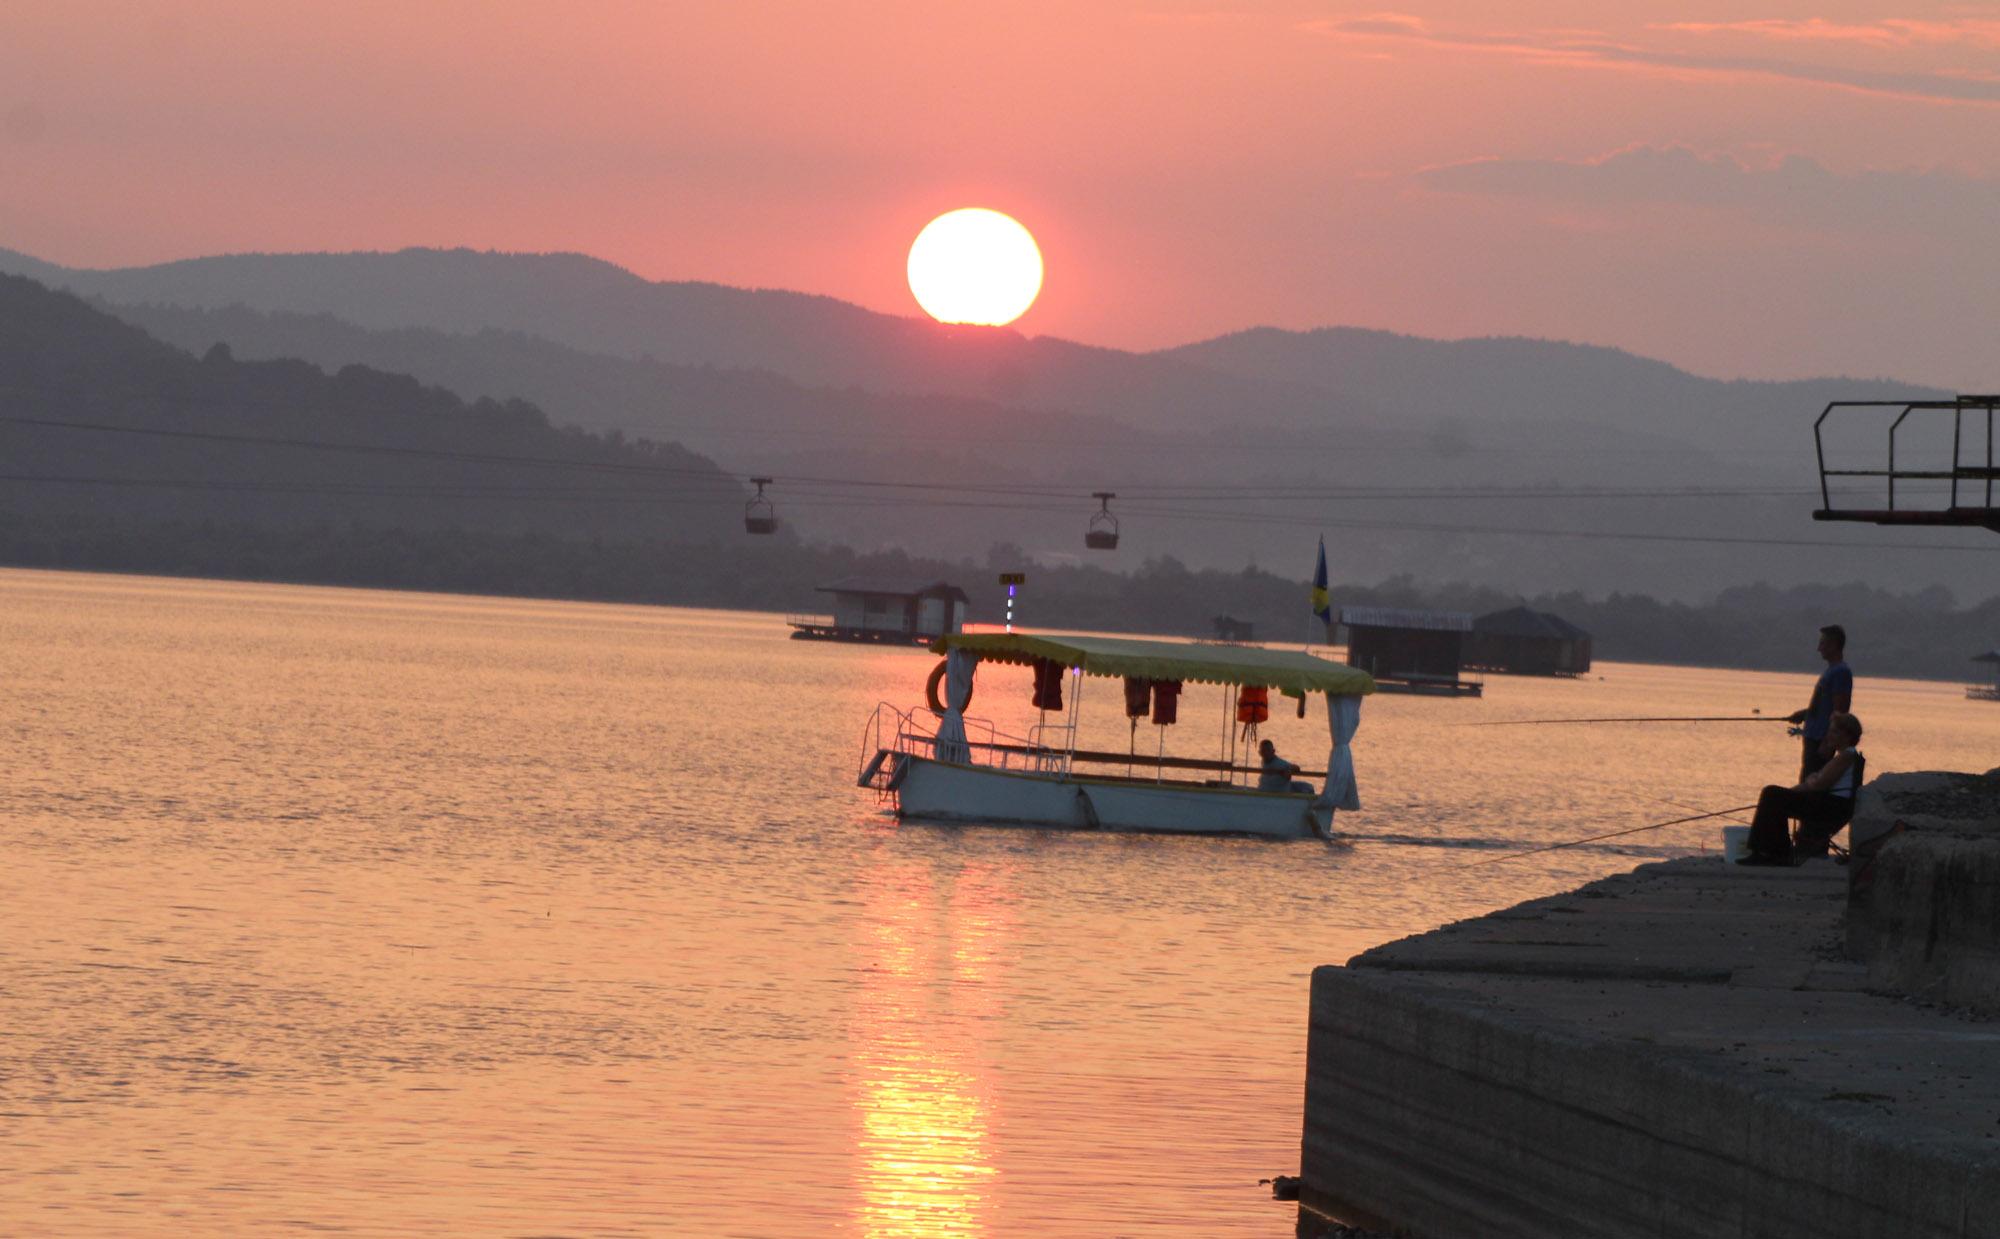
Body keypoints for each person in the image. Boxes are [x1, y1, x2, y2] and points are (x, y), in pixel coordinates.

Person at [1740, 712, 1864, 865]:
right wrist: (1792, 791)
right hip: (1828, 803)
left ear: (1847, 736)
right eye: (1830, 731)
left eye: (1834, 732)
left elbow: (1819, 784)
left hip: (1830, 807)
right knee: (1772, 795)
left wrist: (1813, 779)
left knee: (1771, 793)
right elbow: (1811, 783)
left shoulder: (1846, 756)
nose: (1829, 735)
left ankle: (1775, 853)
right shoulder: (1844, 756)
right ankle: (1766, 852)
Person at [1787, 624, 1852, 780]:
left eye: (1822, 643)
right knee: (1806, 780)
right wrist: (1805, 714)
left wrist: (1828, 742)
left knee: (1811, 785)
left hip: (1820, 742)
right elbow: (1824, 706)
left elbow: (1840, 710)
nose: (1819, 648)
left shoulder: (1841, 672)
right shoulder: (1831, 671)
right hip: (1813, 738)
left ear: (1834, 645)